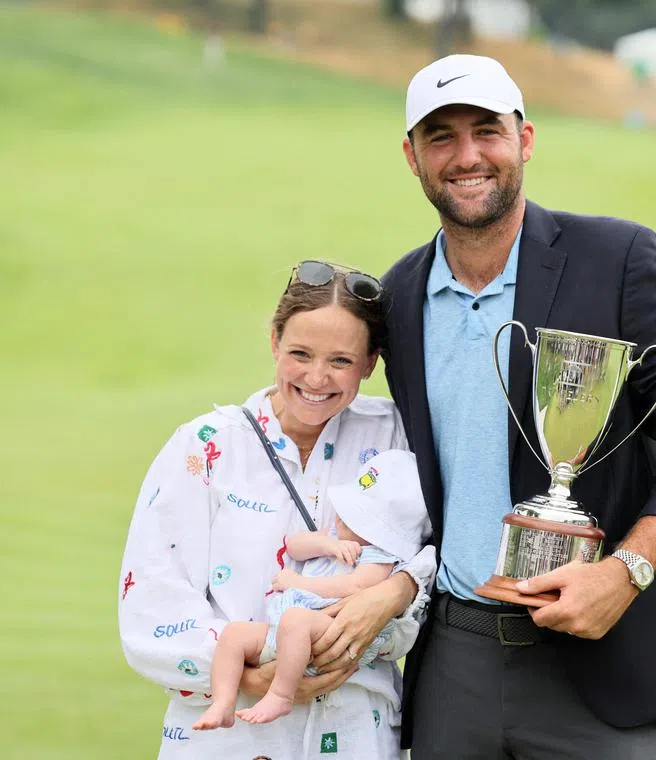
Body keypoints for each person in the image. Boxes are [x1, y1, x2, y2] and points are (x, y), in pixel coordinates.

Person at [382, 54, 656, 758]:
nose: (467, 156)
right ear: (412, 157)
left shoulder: (618, 258)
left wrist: (624, 572)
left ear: (526, 138)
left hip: (599, 664)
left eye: (487, 130)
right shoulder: (398, 295)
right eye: (441, 137)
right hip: (453, 664)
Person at [119, 260, 436, 759]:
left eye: (340, 361)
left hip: (357, 733)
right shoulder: (205, 444)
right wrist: (262, 668)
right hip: (228, 740)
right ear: (274, 342)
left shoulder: (398, 435)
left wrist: (382, 608)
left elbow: (436, 565)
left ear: (371, 362)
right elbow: (151, 606)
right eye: (300, 354)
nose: (316, 377)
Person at [193, 450, 430, 730]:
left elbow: (354, 587)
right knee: (234, 635)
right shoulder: (339, 538)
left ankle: (281, 694)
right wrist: (328, 545)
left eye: (355, 518)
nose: (340, 518)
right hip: (285, 632)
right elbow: (295, 545)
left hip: (330, 634)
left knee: (295, 620)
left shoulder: (379, 559)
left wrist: (299, 583)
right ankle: (223, 702)